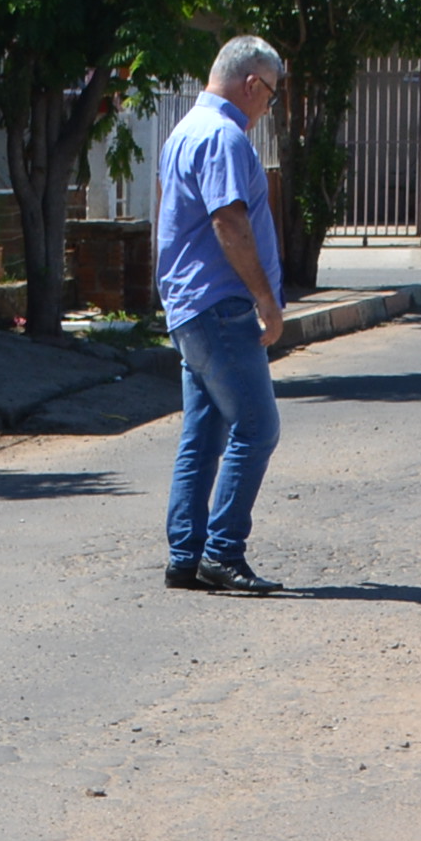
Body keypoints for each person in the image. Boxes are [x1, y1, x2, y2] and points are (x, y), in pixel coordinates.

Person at [156, 36, 290, 592]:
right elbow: (228, 223)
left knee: (204, 433)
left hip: (189, 307)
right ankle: (222, 553)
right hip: (219, 305)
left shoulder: (185, 131)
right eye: (271, 97)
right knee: (257, 427)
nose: (268, 109)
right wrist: (265, 299)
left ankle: (186, 554)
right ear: (252, 84)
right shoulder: (223, 136)